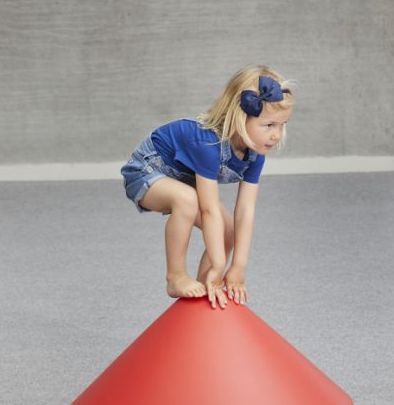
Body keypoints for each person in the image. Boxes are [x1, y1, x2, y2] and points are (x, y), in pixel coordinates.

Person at [120, 64, 295, 310]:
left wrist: (238, 267)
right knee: (187, 199)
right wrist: (219, 263)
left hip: (185, 181)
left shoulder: (255, 153)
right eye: (269, 125)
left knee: (227, 230)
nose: (276, 135)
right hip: (146, 170)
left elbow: (245, 211)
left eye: (282, 124)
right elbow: (209, 209)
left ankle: (205, 289)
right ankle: (176, 277)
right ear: (239, 118)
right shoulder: (207, 143)